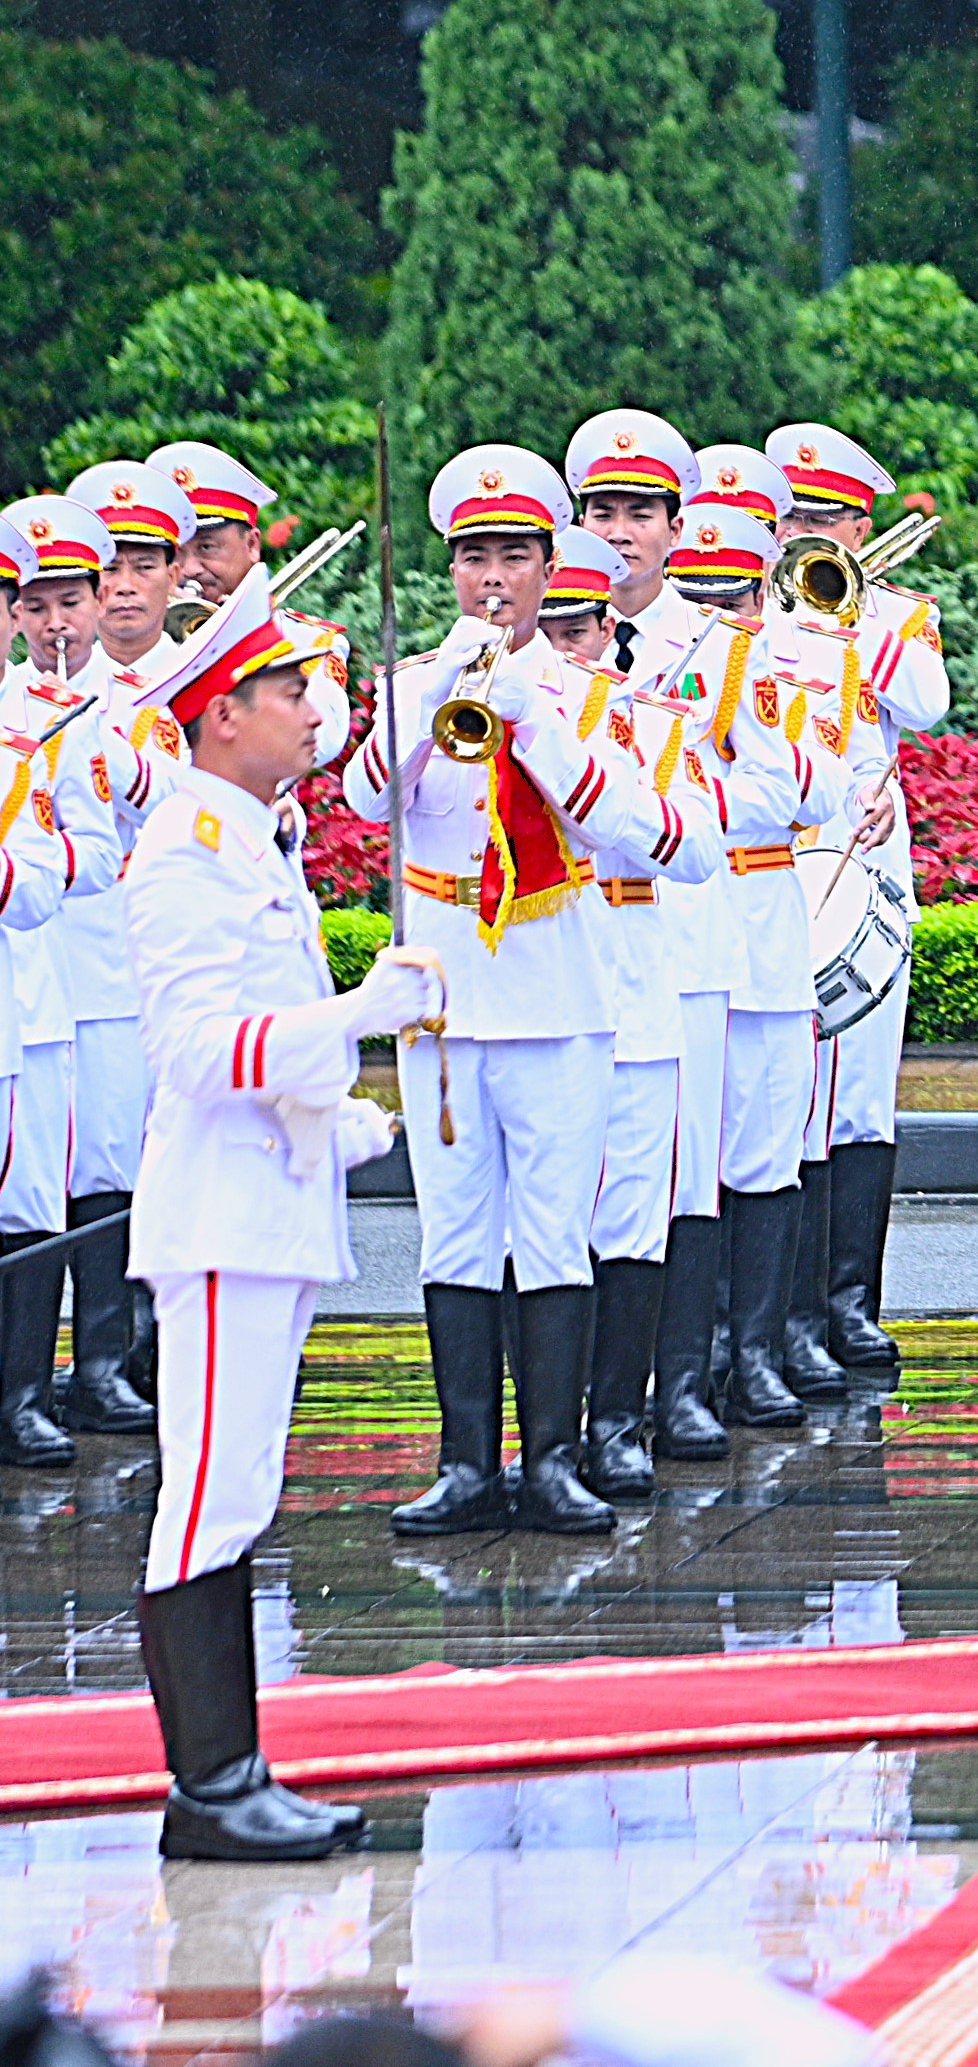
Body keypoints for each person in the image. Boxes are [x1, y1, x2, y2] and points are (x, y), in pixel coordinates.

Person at [122, 568, 445, 1856]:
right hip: (219, 1219)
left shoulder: (251, 840)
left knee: (240, 1491)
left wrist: (340, 1115)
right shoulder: (185, 854)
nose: (313, 710)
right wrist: (360, 1017)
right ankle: (208, 1787)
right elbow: (199, 1050)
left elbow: (270, 1057)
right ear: (216, 717)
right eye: (284, 690)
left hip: (267, 1199)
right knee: (205, 1496)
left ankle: (238, 1767)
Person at [359, 451, 703, 1537]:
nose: (494, 578)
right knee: (455, 1234)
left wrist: (537, 722)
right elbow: (373, 796)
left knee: (553, 1233)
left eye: (514, 555)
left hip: (559, 992)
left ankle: (553, 1455)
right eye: (474, 558)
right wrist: (432, 697)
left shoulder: (597, 697)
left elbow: (659, 832)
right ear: (450, 570)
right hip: (452, 1001)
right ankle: (467, 1461)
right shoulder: (415, 680)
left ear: (553, 565)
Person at [528, 541, 726, 1498]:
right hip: (539, 1002)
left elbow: (696, 851)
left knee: (634, 1221)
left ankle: (617, 1423)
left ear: (612, 628)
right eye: (548, 628)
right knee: (543, 1228)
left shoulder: (654, 722)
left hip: (639, 995)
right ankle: (542, 1440)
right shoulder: (488, 717)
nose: (564, 646)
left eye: (579, 626)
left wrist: (594, 780)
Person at [645, 478, 843, 1423]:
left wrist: (721, 771)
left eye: (734, 593)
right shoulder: (643, 663)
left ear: (765, 589)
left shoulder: (797, 664)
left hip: (762, 921)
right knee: (682, 1161)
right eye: (699, 592)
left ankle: (753, 1351)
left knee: (766, 1148)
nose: (718, 612)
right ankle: (681, 1363)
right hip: (672, 938)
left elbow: (818, 791)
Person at [767, 422, 949, 1380]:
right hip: (767, 860)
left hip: (861, 861)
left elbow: (925, 701)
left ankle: (849, 1303)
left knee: (861, 1095)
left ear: (860, 521)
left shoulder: (896, 613)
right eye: (793, 513)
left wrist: (852, 620)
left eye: (827, 516)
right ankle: (786, 1317)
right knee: (781, 1100)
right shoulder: (740, 617)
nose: (808, 532)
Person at [51, 461, 191, 1433]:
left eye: (144, 563)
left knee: (109, 1160)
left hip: (109, 962)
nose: (126, 586)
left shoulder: (158, 696)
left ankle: (106, 1358)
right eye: (113, 566)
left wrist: (129, 758)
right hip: (29, 961)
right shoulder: (24, 699)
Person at [0, 520, 113, 1467]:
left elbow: (85, 859)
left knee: (30, 1201)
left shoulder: (43, 718)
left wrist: (9, 876)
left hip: (21, 1004)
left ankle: (23, 1396)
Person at [151, 442, 353, 768]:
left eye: (207, 547)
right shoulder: (147, 641)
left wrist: (241, 640)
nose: (189, 569)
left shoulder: (307, 641)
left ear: (252, 545)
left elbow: (322, 741)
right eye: (177, 552)